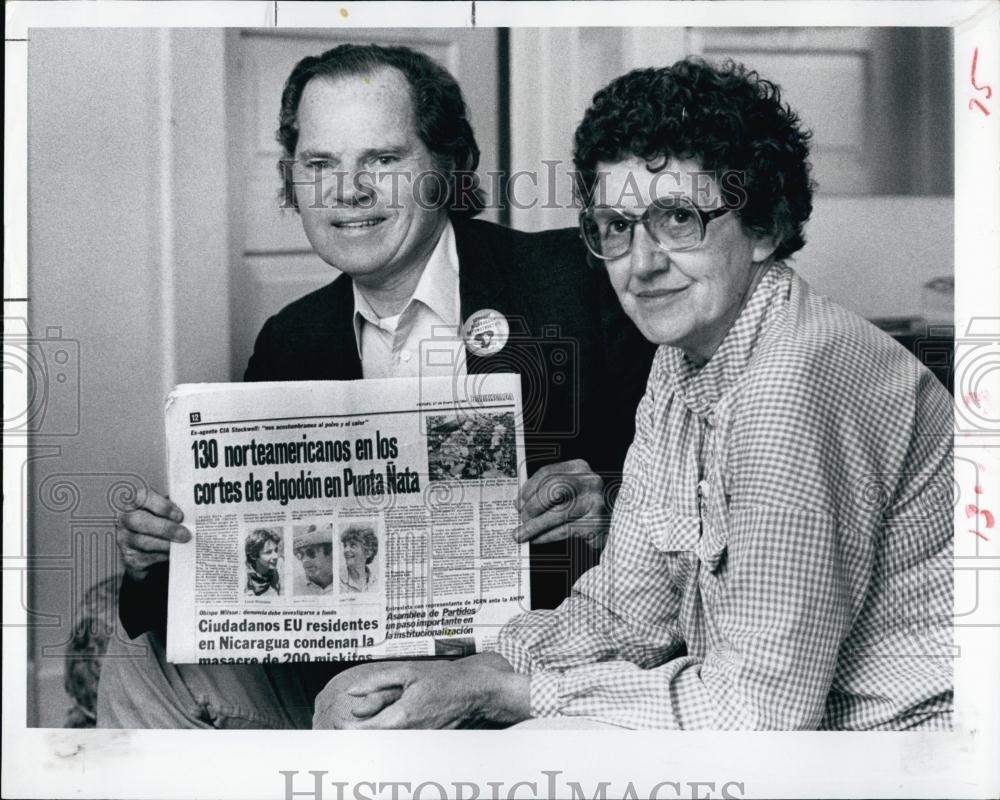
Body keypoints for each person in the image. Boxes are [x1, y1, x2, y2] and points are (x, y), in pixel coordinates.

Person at [313, 58, 954, 731]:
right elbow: (625, 613)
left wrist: (500, 694)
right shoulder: (686, 357)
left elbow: (754, 720)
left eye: (678, 219)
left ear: (764, 226)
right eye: (617, 227)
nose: (641, 264)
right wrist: (446, 675)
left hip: (900, 753)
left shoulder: (790, 387)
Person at [99, 43, 655, 728]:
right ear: (293, 179)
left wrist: (611, 498)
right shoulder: (291, 339)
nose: (347, 190)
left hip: (534, 667)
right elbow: (240, 589)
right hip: (357, 676)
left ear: (445, 167)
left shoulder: (574, 280)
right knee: (134, 658)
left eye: (383, 160)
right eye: (319, 163)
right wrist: (156, 556)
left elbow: (698, 484)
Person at [292, 525, 335, 595]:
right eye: (300, 555)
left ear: (330, 554)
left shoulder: (344, 583)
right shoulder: (294, 587)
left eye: (311, 553)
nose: (305, 560)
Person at [339, 526, 379, 593]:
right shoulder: (337, 580)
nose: (346, 550)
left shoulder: (377, 582)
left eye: (353, 545)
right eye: (345, 546)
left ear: (368, 553)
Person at [244, 528, 283, 597]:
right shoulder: (245, 581)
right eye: (268, 552)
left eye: (276, 550)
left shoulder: (277, 574)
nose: (276, 556)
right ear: (254, 555)